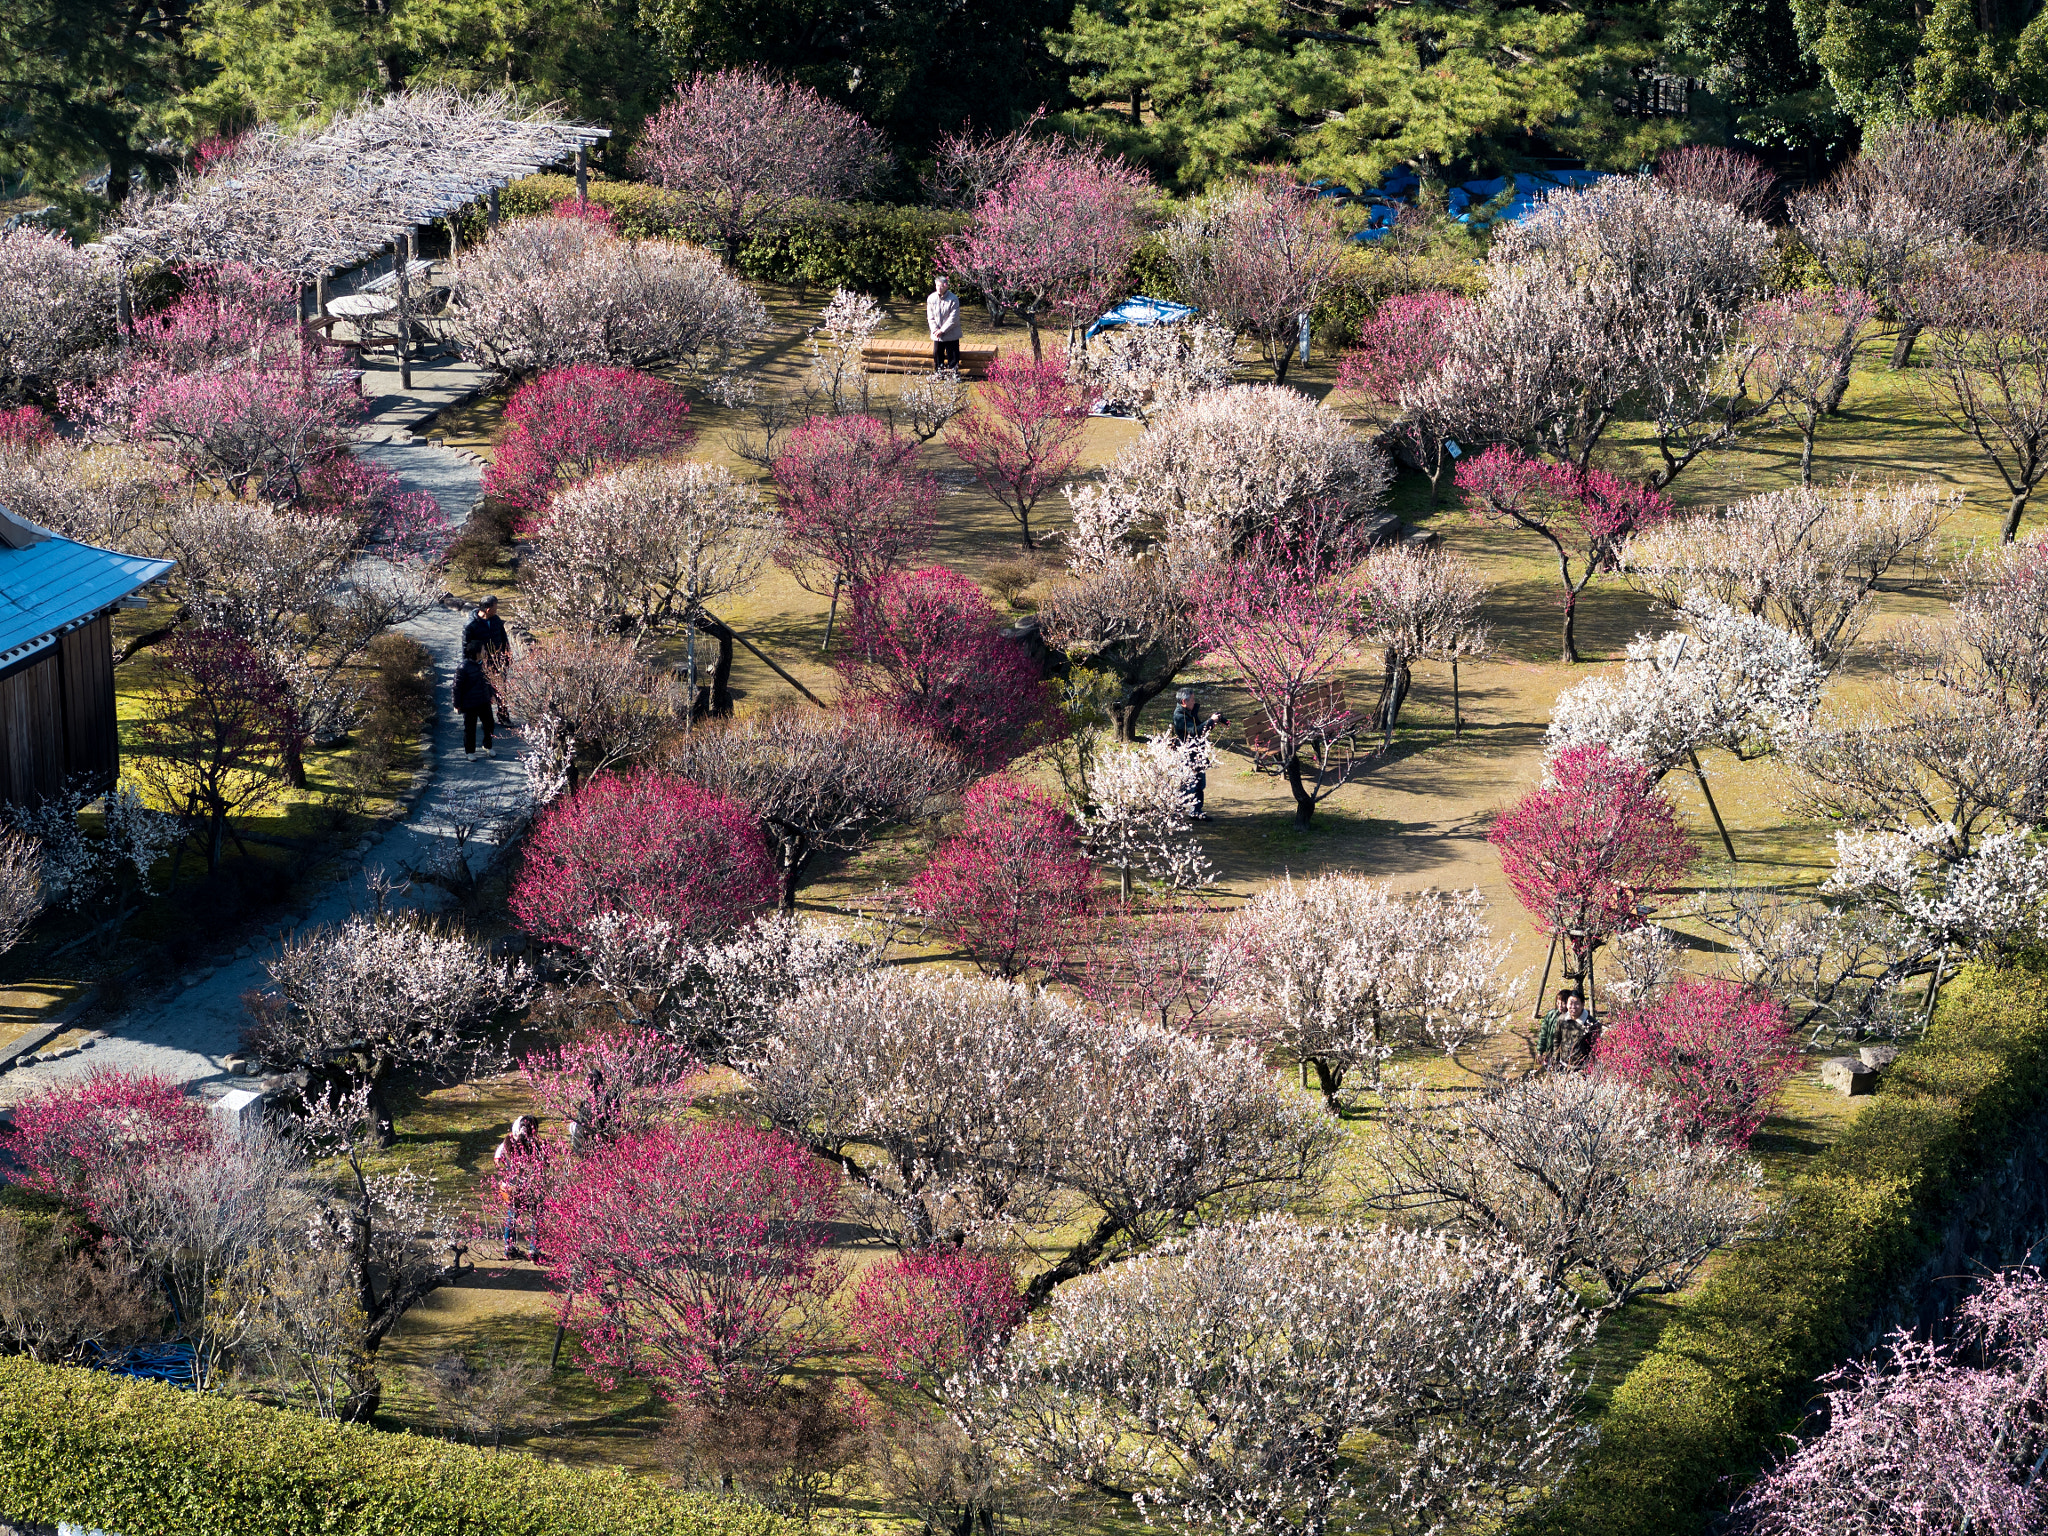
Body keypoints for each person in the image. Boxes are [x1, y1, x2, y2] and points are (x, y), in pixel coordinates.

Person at [1170, 688, 1224, 820]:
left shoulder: (1189, 712)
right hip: (1188, 754)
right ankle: (1177, 812)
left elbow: (1200, 729)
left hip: (1197, 753)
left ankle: (1196, 811)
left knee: (1200, 784)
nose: (1194, 702)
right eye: (1192, 700)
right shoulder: (1180, 716)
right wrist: (1210, 721)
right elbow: (1193, 732)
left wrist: (1210, 724)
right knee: (1188, 785)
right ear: (1184, 701)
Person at [493, 1115, 542, 1261]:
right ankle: (534, 1251)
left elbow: (497, 1160)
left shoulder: (506, 1144)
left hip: (512, 1188)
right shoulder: (536, 1146)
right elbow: (545, 1165)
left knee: (512, 1217)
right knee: (536, 1218)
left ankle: (509, 1248)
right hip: (532, 1187)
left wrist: (508, 1173)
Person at [462, 595, 512, 726]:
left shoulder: (496, 620)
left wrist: (507, 656)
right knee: (482, 691)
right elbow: (465, 647)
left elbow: (504, 639)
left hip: (497, 661)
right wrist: (467, 666)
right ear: (488, 609)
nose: (497, 609)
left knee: (501, 689)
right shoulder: (471, 625)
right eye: (495, 606)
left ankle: (503, 716)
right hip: (480, 663)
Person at [452, 643, 497, 758]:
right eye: (482, 649)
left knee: (489, 724)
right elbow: (457, 688)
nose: (485, 651)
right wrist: (456, 704)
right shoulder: (463, 667)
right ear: (476, 652)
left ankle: (488, 745)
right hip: (469, 704)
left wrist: (491, 695)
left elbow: (489, 681)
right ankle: (470, 752)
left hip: (484, 701)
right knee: (470, 728)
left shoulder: (484, 664)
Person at [926, 274, 962, 372]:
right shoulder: (931, 298)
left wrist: (942, 330)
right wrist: (935, 330)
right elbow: (930, 317)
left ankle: (954, 374)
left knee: (953, 356)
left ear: (946, 286)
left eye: (941, 286)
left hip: (951, 333)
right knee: (937, 355)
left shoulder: (953, 299)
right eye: (937, 285)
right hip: (937, 335)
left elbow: (953, 318)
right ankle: (939, 373)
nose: (939, 288)